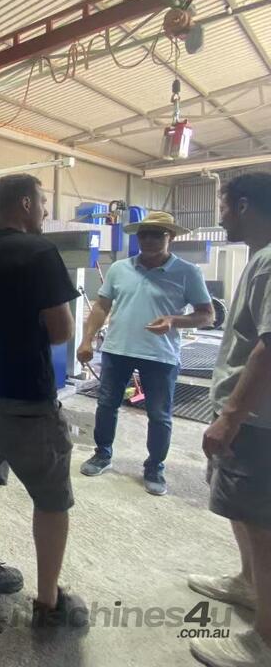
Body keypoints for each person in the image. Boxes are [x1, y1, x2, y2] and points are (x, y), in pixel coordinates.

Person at [0, 173, 87, 628]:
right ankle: (49, 605)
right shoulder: (40, 252)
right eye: (43, 202)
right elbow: (61, 331)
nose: (45, 211)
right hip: (25, 396)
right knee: (52, 496)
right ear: (25, 204)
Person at [188, 172, 271, 667]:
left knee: (262, 523)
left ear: (241, 205)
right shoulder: (259, 258)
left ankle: (265, 640)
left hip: (257, 421)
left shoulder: (270, 261)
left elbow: (269, 346)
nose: (219, 217)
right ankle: (248, 582)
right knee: (243, 510)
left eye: (221, 206)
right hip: (247, 417)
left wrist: (231, 416)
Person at [77, 211, 213, 496]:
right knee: (106, 405)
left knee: (159, 415)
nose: (149, 240)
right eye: (144, 234)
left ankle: (154, 468)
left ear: (170, 236)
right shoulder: (119, 269)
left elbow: (206, 315)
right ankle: (102, 454)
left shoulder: (188, 272)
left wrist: (174, 320)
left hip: (160, 355)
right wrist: (87, 340)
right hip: (117, 350)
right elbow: (101, 306)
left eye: (157, 234)